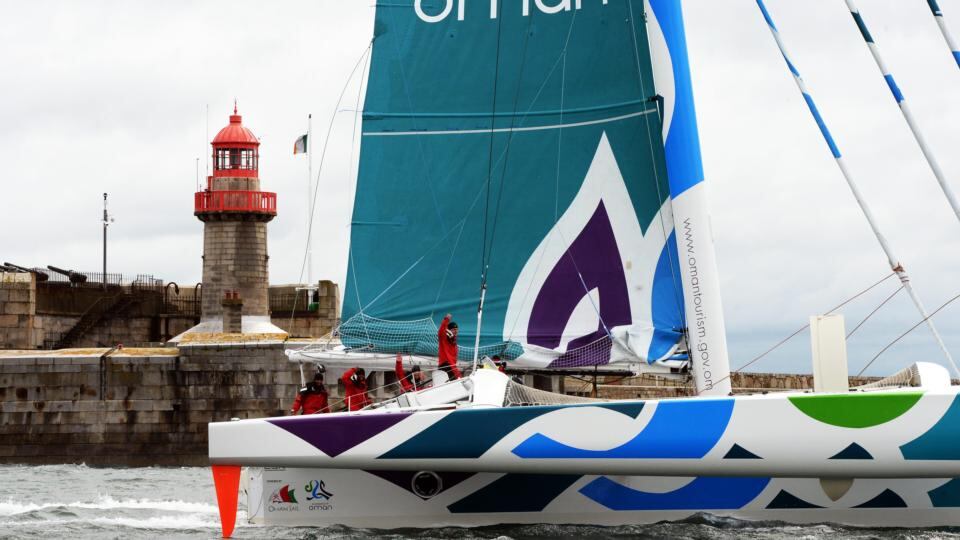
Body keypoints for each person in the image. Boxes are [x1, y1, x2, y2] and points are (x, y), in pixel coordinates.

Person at [437, 313, 462, 380]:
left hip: (452, 366)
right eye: (453, 329)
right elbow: (441, 331)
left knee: (460, 379)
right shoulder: (444, 338)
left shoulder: (454, 343)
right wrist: (446, 319)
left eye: (456, 329)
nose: (455, 331)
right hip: (445, 365)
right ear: (449, 330)